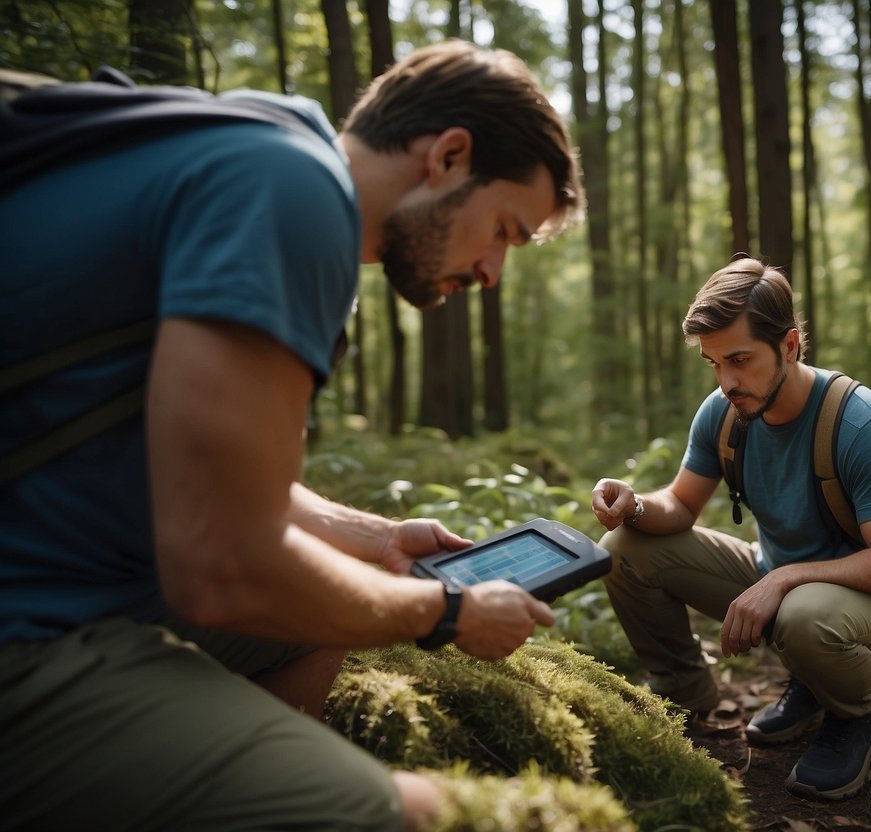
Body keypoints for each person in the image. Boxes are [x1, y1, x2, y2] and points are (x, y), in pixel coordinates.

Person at [0, 40, 582, 831]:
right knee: (430, 819)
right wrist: (442, 612)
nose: (491, 273)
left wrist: (368, 536)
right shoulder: (291, 191)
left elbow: (211, 468)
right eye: (504, 231)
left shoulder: (260, 144)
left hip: (80, 572)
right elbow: (225, 566)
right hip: (31, 624)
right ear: (448, 156)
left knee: (318, 612)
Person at [590, 257, 871, 802]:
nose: (726, 381)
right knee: (625, 547)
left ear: (790, 346)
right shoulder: (724, 414)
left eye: (740, 360)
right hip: (780, 583)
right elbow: (678, 505)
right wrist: (632, 506)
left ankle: (862, 716)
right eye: (714, 362)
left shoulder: (862, 424)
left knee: (803, 613)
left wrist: (785, 580)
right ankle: (684, 688)